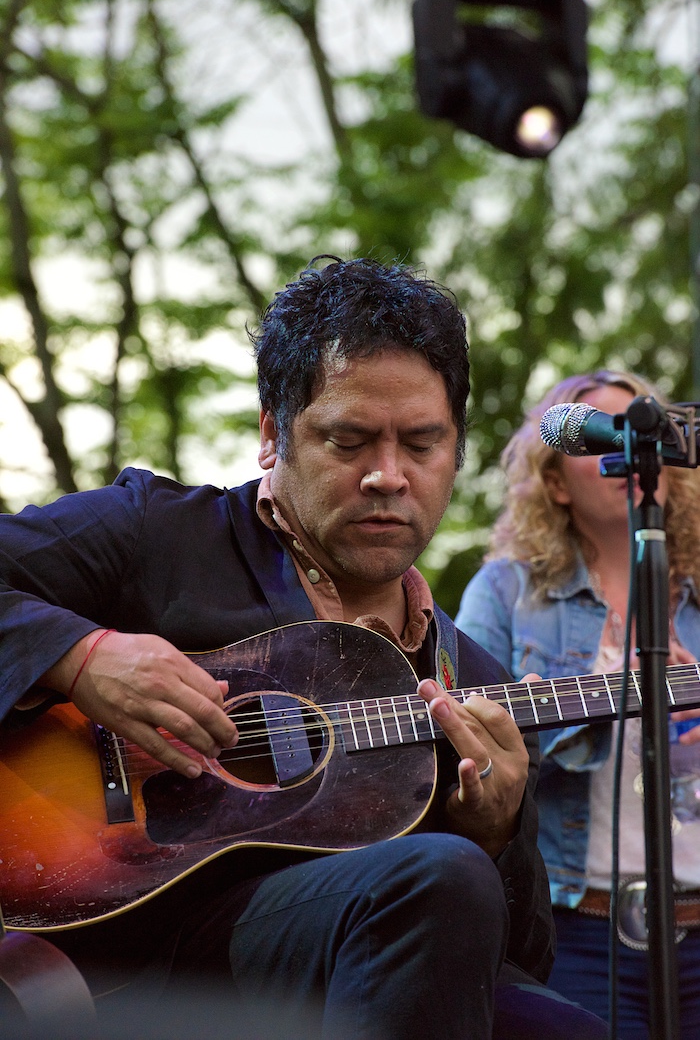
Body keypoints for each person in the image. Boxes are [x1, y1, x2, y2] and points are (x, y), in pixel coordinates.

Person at [0, 257, 606, 1040]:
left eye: (422, 443)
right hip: (112, 949)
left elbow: (519, 954)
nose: (388, 476)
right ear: (270, 434)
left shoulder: (469, 681)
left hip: (333, 961)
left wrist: (494, 831)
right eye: (348, 440)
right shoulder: (156, 534)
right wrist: (81, 657)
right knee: (439, 875)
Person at [456, 368, 700, 1039]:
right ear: (556, 483)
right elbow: (463, 760)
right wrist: (569, 722)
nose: (627, 447)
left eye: (639, 429)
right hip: (580, 929)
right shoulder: (503, 593)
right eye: (601, 438)